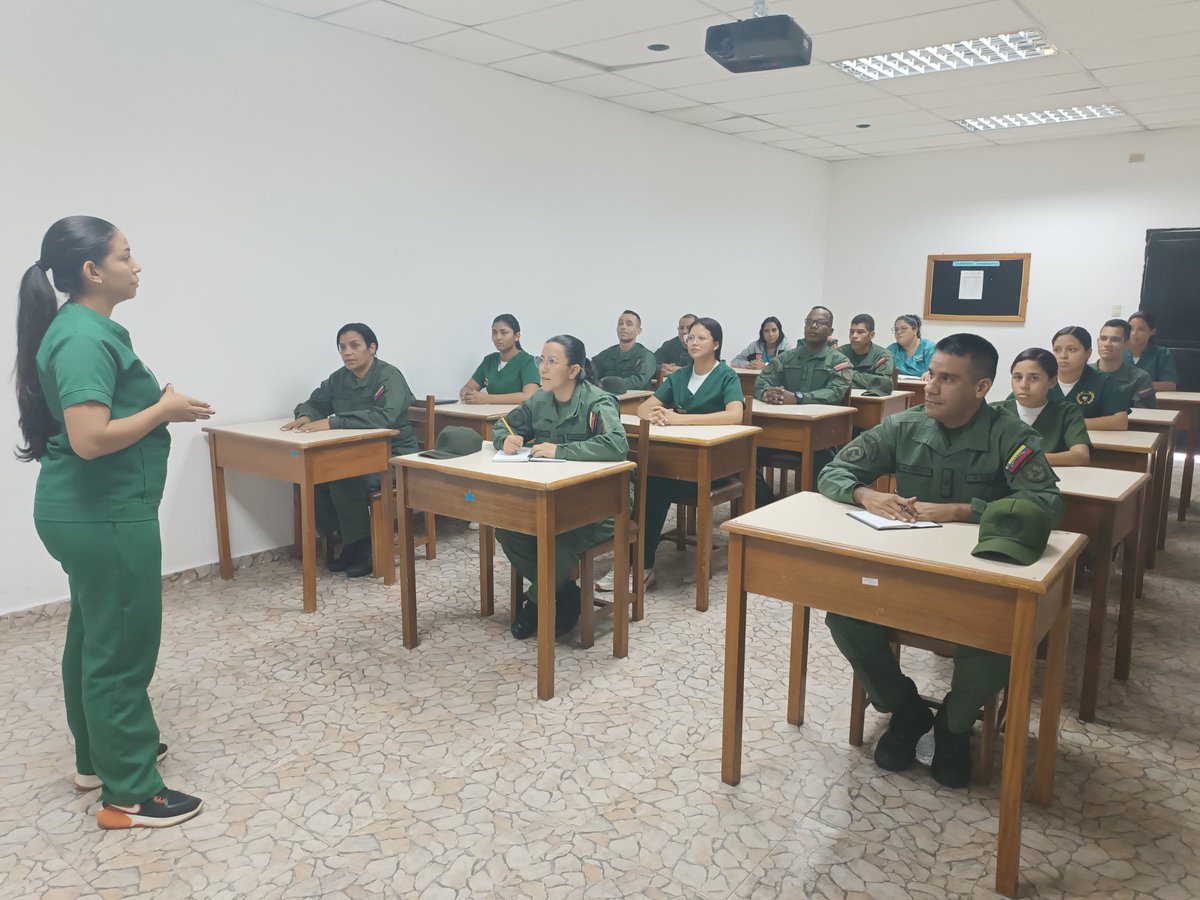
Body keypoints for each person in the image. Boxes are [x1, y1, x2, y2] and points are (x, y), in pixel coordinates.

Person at [18, 216, 211, 829]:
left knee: (94, 637)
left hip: (86, 512)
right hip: (103, 514)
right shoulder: (80, 337)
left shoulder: (83, 328)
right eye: (127, 256)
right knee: (123, 647)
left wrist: (157, 409)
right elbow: (91, 438)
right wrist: (164, 410)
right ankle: (129, 793)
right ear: (92, 271)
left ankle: (97, 760)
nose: (138, 266)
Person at [818, 334, 1063, 788]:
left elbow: (1045, 504)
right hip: (907, 569)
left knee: (1000, 637)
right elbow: (833, 470)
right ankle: (905, 709)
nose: (930, 387)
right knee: (845, 617)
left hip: (977, 578)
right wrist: (866, 494)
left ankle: (953, 724)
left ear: (981, 387)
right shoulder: (904, 426)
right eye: (932, 375)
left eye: (947, 379)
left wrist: (963, 512)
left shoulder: (1010, 435)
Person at [493, 335, 629, 639]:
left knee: (560, 540)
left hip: (602, 502)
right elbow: (504, 425)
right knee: (507, 529)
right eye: (541, 360)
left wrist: (561, 450)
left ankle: (536, 603)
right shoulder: (540, 399)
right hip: (555, 497)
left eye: (552, 361)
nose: (543, 367)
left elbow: (617, 444)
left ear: (574, 370)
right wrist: (507, 439)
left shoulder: (597, 401)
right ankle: (566, 594)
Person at [596, 317, 743, 595]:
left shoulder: (726, 375)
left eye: (702, 337)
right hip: (679, 462)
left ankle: (640, 566)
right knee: (634, 481)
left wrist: (681, 419)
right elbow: (642, 409)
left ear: (716, 344)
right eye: (691, 337)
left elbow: (735, 414)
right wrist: (660, 414)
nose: (694, 342)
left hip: (715, 465)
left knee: (653, 487)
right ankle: (627, 562)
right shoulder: (680, 376)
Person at [282, 323, 419, 577]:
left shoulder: (389, 376)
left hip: (394, 453)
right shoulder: (340, 378)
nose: (348, 353)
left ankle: (364, 546)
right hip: (356, 453)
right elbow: (316, 402)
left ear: (372, 348)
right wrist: (305, 415)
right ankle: (351, 540)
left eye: (355, 346)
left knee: (346, 480)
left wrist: (334, 422)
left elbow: (386, 417)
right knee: (312, 480)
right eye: (342, 347)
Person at [994, 348, 1091, 467]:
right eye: (1018, 377)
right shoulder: (994, 411)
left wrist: (1023, 458)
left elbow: (1081, 456)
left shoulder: (1067, 412)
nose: (1023, 385)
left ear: (1053, 382)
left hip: (1051, 482)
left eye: (1034, 378)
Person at [753, 306, 853, 406]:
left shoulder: (840, 361)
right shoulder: (786, 357)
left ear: (830, 331)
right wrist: (766, 394)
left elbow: (835, 392)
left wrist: (798, 397)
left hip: (823, 418)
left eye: (821, 322)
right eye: (809, 322)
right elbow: (761, 382)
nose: (813, 326)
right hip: (785, 415)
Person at [1050, 326, 1128, 430]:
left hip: (1090, 443)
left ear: (1088, 353)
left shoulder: (1103, 381)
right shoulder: (1043, 379)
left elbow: (1120, 422)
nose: (1063, 356)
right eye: (1057, 350)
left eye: (1072, 349)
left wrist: (1070, 423)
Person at [459, 314, 539, 405]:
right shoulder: (489, 361)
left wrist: (487, 399)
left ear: (516, 336)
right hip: (488, 416)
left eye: (504, 332)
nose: (498, 337)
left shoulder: (528, 362)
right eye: (494, 333)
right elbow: (468, 387)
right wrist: (467, 394)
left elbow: (529, 396)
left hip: (517, 417)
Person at [1093, 318, 1156, 409]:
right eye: (1103, 338)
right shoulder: (1082, 373)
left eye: (1115, 340)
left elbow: (1144, 416)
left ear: (1127, 344)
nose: (1107, 344)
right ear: (1098, 342)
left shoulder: (1140, 378)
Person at [592, 310, 659, 394]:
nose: (623, 327)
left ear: (638, 331)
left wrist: (609, 384)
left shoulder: (645, 356)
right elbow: (592, 370)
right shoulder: (608, 353)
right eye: (620, 323)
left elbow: (638, 381)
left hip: (633, 400)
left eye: (629, 324)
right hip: (606, 396)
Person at [837, 314, 894, 394]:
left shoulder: (883, 356)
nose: (854, 336)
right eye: (851, 332)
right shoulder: (840, 353)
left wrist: (849, 373)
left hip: (871, 398)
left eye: (860, 332)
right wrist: (870, 381)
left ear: (871, 335)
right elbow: (833, 381)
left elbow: (883, 384)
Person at [1125, 310, 1178, 392]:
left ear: (1152, 332)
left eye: (1141, 329)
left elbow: (1170, 385)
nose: (1134, 333)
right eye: (1131, 329)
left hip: (1153, 401)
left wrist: (1133, 385)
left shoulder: (1161, 353)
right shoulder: (1119, 351)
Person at [886, 314, 937, 380]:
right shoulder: (892, 350)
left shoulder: (929, 348)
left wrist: (930, 373)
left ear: (915, 330)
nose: (898, 332)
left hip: (923, 387)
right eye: (896, 329)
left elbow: (937, 372)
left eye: (903, 328)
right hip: (898, 387)